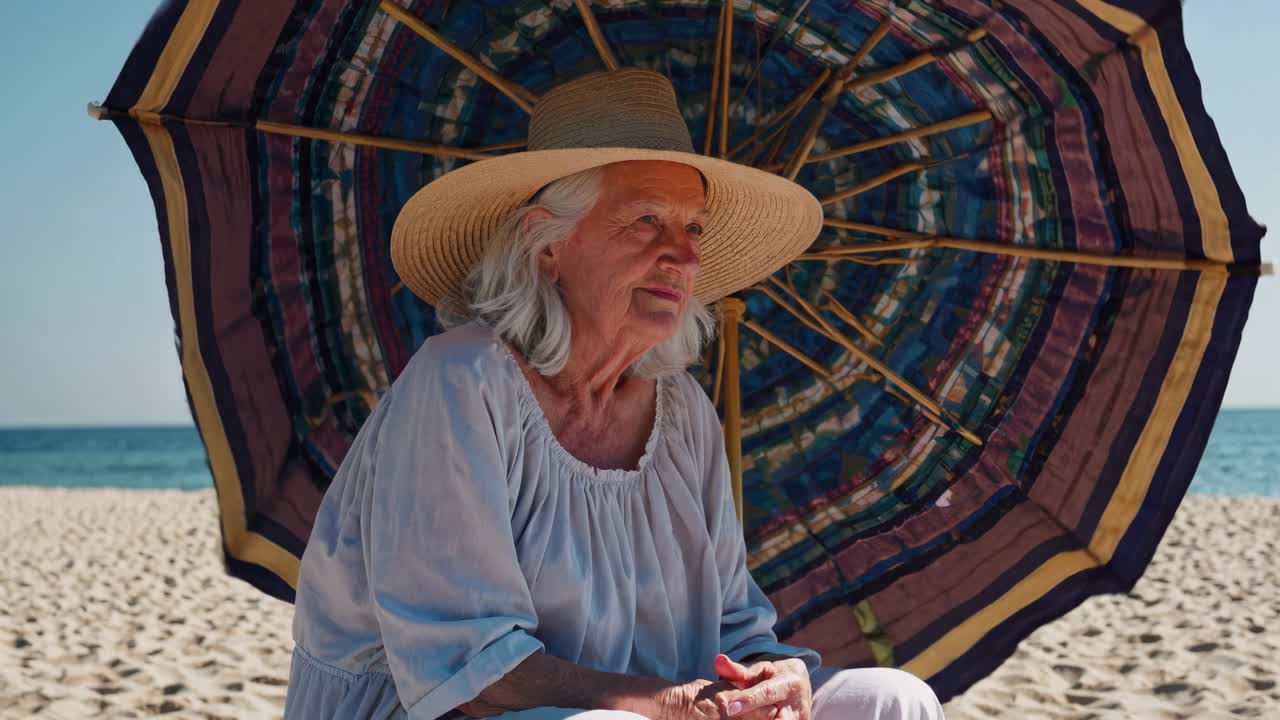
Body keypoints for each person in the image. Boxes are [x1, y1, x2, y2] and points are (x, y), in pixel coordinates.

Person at [283, 68, 946, 720]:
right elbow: (472, 673)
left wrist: (773, 675)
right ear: (546, 245)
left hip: (652, 712)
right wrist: (668, 705)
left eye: (694, 229)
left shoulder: (682, 409)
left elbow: (732, 630)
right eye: (648, 221)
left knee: (894, 699)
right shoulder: (463, 382)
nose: (683, 259)